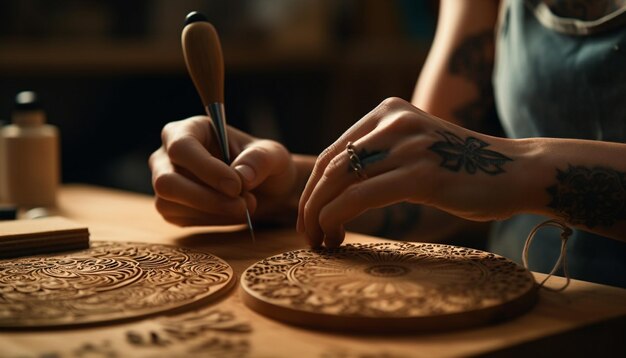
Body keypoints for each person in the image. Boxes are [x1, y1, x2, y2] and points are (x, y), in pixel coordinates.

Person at [149, 0, 626, 288]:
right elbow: (432, 186)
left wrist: (518, 169)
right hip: (526, 305)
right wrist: (287, 185)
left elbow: (475, 172)